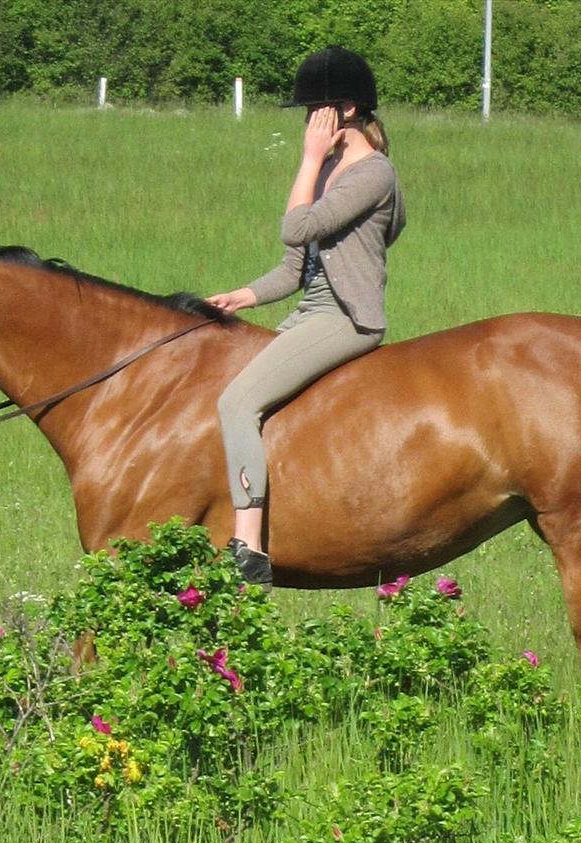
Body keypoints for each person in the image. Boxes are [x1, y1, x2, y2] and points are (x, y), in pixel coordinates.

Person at [207, 46, 407, 588]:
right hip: (312, 309)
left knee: (237, 400)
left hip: (347, 318)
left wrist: (310, 157)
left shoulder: (372, 174)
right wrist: (243, 296)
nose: (305, 123)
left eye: (311, 112)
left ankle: (248, 550)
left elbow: (294, 229)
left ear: (343, 111)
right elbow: (296, 265)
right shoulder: (331, 172)